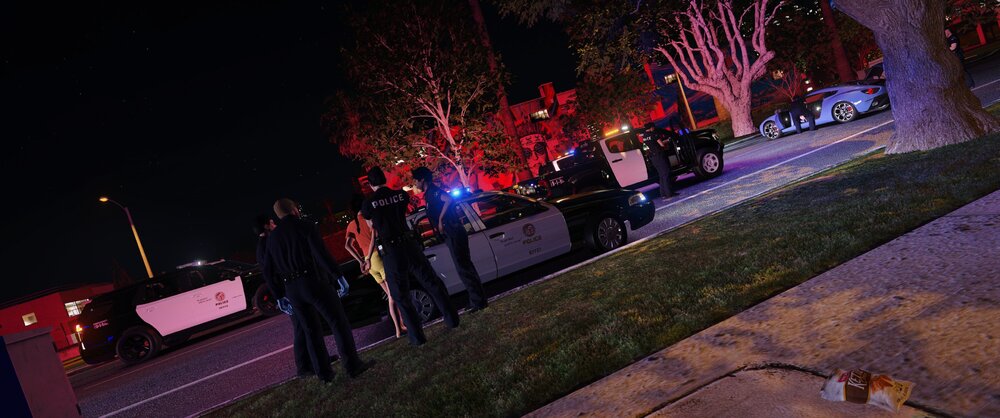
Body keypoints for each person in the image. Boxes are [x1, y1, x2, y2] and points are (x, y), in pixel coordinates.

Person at [262, 199, 368, 382]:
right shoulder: (306, 226)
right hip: (312, 281)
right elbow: (321, 254)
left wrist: (279, 295)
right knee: (338, 322)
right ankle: (352, 365)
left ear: (278, 216)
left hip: (292, 289)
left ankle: (324, 374)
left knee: (310, 331)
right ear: (294, 210)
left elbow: (268, 270)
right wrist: (338, 276)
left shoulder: (272, 237)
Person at [360, 166, 459, 346]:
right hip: (408, 244)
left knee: (400, 294)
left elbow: (371, 227)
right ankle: (452, 319)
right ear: (384, 179)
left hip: (391, 250)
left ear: (370, 184)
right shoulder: (401, 195)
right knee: (431, 281)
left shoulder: (368, 203)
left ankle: (417, 336)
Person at [255, 215, 339, 378]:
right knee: (301, 329)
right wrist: (279, 294)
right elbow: (269, 272)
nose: (274, 224)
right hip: (287, 289)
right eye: (271, 222)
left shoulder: (266, 243)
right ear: (266, 226)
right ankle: (304, 367)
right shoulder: (266, 244)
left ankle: (318, 361)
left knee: (307, 326)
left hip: (289, 288)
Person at [412, 167, 488, 312]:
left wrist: (440, 220)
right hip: (451, 232)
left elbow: (449, 199)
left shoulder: (433, 192)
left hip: (452, 230)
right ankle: (478, 300)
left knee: (463, 267)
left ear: (422, 179)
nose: (414, 184)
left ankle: (478, 302)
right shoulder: (429, 194)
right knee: (464, 267)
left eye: (415, 180)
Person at [344, 195, 407, 338]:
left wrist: (361, 260)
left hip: (369, 264)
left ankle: (401, 326)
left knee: (391, 295)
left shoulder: (351, 225)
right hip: (377, 257)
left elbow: (347, 246)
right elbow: (375, 233)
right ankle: (399, 329)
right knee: (393, 295)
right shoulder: (368, 219)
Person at [642, 123, 678, 199]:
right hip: (659, 155)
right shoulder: (653, 134)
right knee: (666, 173)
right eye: (653, 127)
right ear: (651, 128)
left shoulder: (644, 136)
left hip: (653, 157)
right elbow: (661, 144)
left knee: (661, 175)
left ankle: (663, 194)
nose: (654, 129)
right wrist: (667, 141)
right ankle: (669, 193)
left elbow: (647, 146)